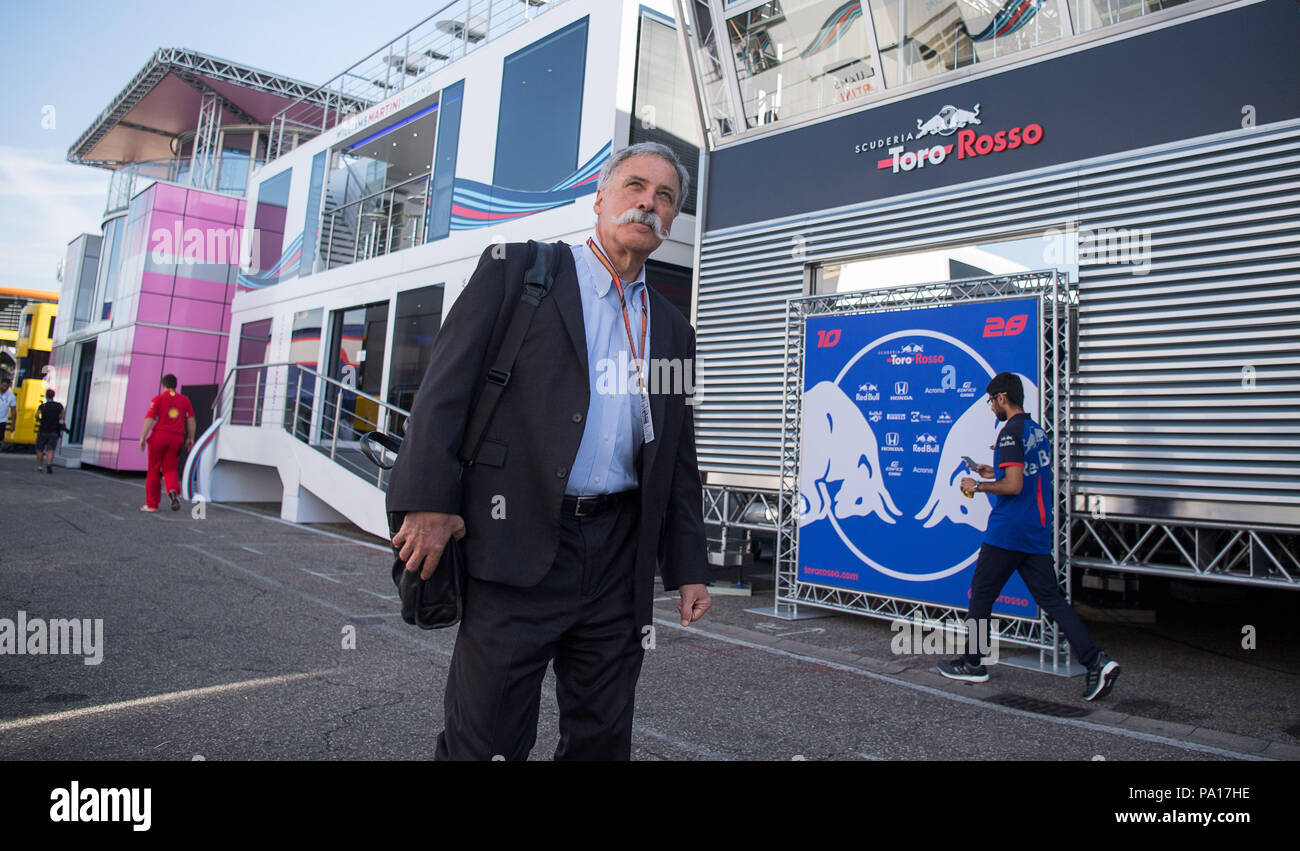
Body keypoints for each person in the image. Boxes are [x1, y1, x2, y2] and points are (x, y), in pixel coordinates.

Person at [387, 142, 712, 760]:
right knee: (486, 737)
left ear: (670, 221)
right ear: (599, 197)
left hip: (619, 556)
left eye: (664, 198)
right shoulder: (520, 273)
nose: (648, 203)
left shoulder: (672, 329)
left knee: (602, 738)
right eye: (635, 187)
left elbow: (676, 455)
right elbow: (443, 389)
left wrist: (689, 564)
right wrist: (428, 501)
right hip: (519, 536)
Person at [940, 372, 1121, 701]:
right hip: (1035, 532)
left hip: (1008, 531)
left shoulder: (1009, 432)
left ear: (1003, 399)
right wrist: (990, 470)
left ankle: (972, 664)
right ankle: (1097, 661)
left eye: (991, 400)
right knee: (1052, 600)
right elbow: (1022, 473)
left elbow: (1014, 486)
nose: (991, 406)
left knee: (980, 595)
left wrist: (976, 485)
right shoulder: (1036, 430)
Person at [138, 374, 196, 512]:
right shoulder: (184, 400)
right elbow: (191, 420)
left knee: (153, 470)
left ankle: (152, 504)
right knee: (170, 469)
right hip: (177, 438)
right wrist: (191, 438)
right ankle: (173, 490)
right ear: (175, 385)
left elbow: (150, 418)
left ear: (163, 385)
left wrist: (142, 437)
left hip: (159, 437)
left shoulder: (158, 399)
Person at [34, 388, 66, 473]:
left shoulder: (43, 406)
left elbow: (37, 415)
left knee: (40, 449)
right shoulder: (59, 405)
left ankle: (39, 466)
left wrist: (40, 420)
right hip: (54, 430)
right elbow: (63, 415)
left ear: (46, 396)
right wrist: (60, 421)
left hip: (43, 430)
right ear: (53, 395)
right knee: (51, 449)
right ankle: (49, 464)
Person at [0, 376, 15, 449]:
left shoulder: (11, 396)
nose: (5, 388)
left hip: (2, 421)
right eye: (3, 386)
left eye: (7, 386)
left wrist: (13, 424)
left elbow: (13, 410)